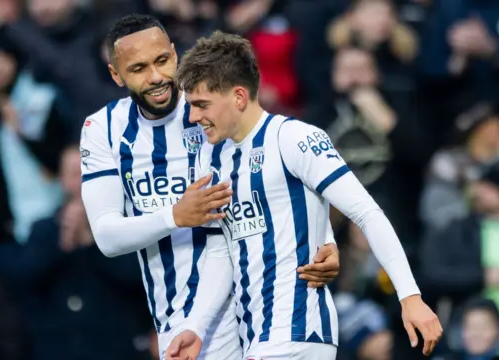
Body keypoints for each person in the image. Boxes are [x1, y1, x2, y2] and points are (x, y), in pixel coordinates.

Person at [166, 31, 443, 360]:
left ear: (239, 96)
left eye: (201, 104)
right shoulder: (212, 160)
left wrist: (409, 295)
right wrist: (196, 325)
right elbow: (222, 253)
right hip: (255, 336)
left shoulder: (295, 138)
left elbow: (366, 213)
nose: (194, 117)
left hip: (299, 330)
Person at [80, 14, 341, 360]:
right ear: (116, 75)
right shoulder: (103, 129)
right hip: (181, 318)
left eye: (162, 61)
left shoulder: (212, 105)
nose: (157, 77)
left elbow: (280, 166)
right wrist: (175, 216)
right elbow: (107, 236)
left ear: (175, 54)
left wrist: (325, 238)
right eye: (139, 68)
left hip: (262, 303)